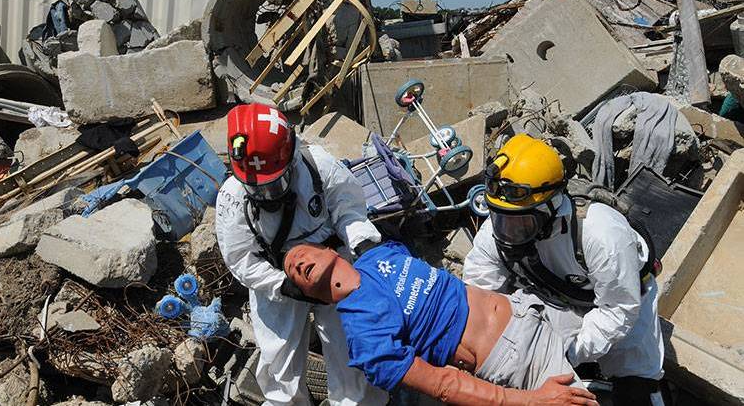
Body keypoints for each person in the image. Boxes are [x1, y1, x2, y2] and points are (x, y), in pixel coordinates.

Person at [463, 134, 665, 406]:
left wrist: (566, 352)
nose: (507, 231)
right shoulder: (498, 233)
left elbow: (619, 310)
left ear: (551, 207)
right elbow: (479, 297)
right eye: (499, 217)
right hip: (555, 295)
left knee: (637, 389)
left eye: (521, 221)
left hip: (622, 298)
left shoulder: (601, 234)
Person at [283, 240, 600, 406]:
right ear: (315, 297)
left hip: (530, 304)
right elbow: (444, 386)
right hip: (520, 357)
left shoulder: (380, 254)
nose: (297, 263)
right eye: (294, 272)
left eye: (299, 254)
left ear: (327, 249)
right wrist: (533, 402)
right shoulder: (364, 337)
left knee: (638, 345)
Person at [215, 103, 387, 406]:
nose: (267, 194)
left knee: (350, 347)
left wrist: (364, 245)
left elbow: (350, 212)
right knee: (279, 359)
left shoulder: (318, 166)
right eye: (259, 187)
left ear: (290, 155)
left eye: (275, 183)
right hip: (277, 277)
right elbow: (241, 259)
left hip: (333, 266)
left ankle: (356, 402)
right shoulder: (232, 197)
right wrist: (282, 285)